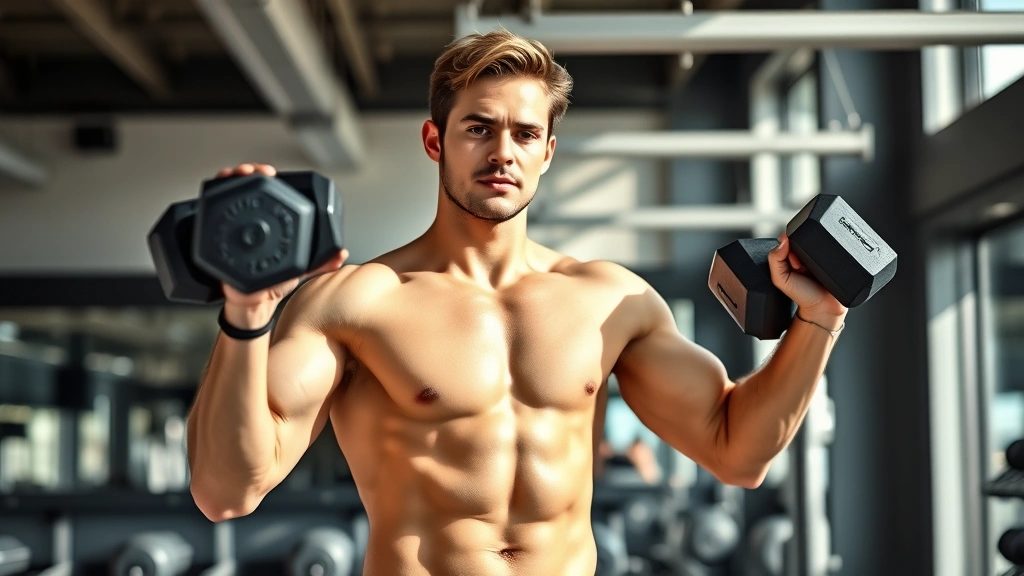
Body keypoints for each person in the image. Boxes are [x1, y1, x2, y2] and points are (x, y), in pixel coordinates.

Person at [186, 29, 847, 575]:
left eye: (525, 134)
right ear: (434, 141)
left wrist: (817, 321)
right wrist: (247, 315)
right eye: (479, 128)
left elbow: (738, 452)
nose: (503, 152)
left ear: (548, 152)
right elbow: (226, 491)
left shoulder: (610, 300)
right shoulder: (358, 302)